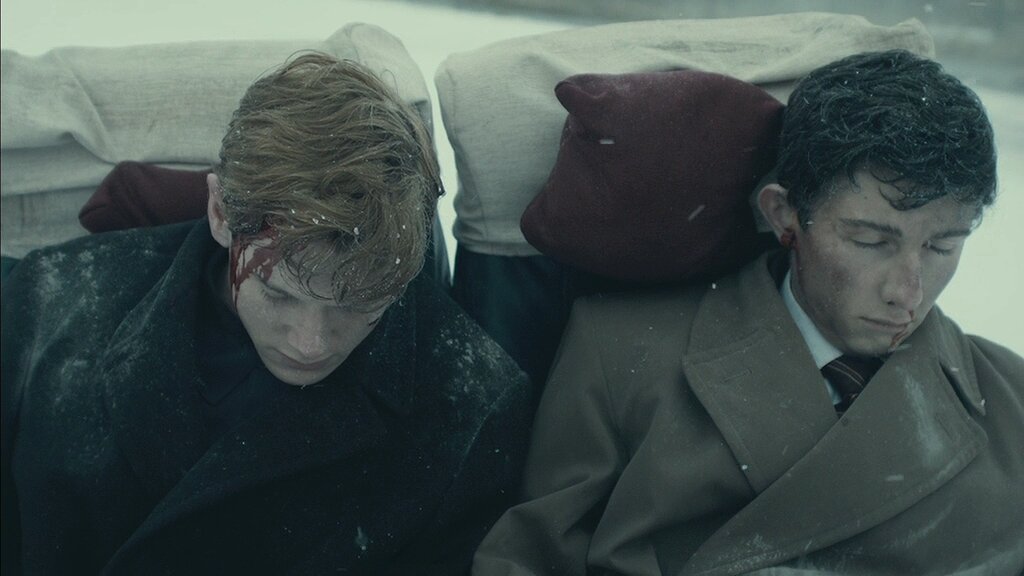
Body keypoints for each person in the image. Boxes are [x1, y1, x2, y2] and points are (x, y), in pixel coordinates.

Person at [472, 50, 1024, 575]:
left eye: (942, 246)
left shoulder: (1012, 398)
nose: (908, 291)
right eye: (869, 241)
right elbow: (525, 561)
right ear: (785, 214)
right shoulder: (620, 355)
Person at [2, 53, 532, 575]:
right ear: (219, 213)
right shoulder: (53, 303)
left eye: (361, 305)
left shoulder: (469, 408)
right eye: (278, 293)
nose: (310, 343)